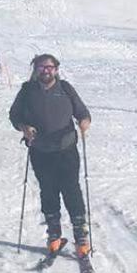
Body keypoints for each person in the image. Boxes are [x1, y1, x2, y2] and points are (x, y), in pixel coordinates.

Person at [9, 53, 92, 257]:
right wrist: (23, 127)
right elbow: (14, 115)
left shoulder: (65, 88)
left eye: (50, 67)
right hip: (40, 151)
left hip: (66, 150)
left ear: (56, 69)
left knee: (71, 191)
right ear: (35, 69)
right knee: (48, 192)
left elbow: (82, 111)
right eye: (42, 67)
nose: (46, 71)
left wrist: (84, 121)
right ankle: (54, 234)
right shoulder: (27, 91)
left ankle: (81, 236)